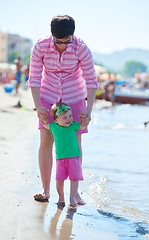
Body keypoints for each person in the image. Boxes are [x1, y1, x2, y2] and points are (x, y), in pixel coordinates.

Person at [27, 15, 98, 202]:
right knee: (46, 139)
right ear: (52, 35)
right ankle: (45, 190)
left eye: (65, 42)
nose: (61, 46)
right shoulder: (40, 47)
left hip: (74, 96)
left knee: (75, 144)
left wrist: (89, 109)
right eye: (57, 41)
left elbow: (91, 81)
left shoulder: (81, 48)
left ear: (72, 36)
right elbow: (34, 79)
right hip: (48, 96)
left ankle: (74, 192)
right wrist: (38, 107)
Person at [43, 102, 87, 207]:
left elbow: (82, 126)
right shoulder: (53, 126)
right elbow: (45, 124)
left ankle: (72, 197)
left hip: (74, 157)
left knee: (75, 178)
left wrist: (84, 120)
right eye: (65, 117)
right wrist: (43, 118)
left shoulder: (73, 125)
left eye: (70, 116)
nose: (69, 119)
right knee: (59, 179)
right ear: (56, 120)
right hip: (60, 158)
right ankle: (60, 197)